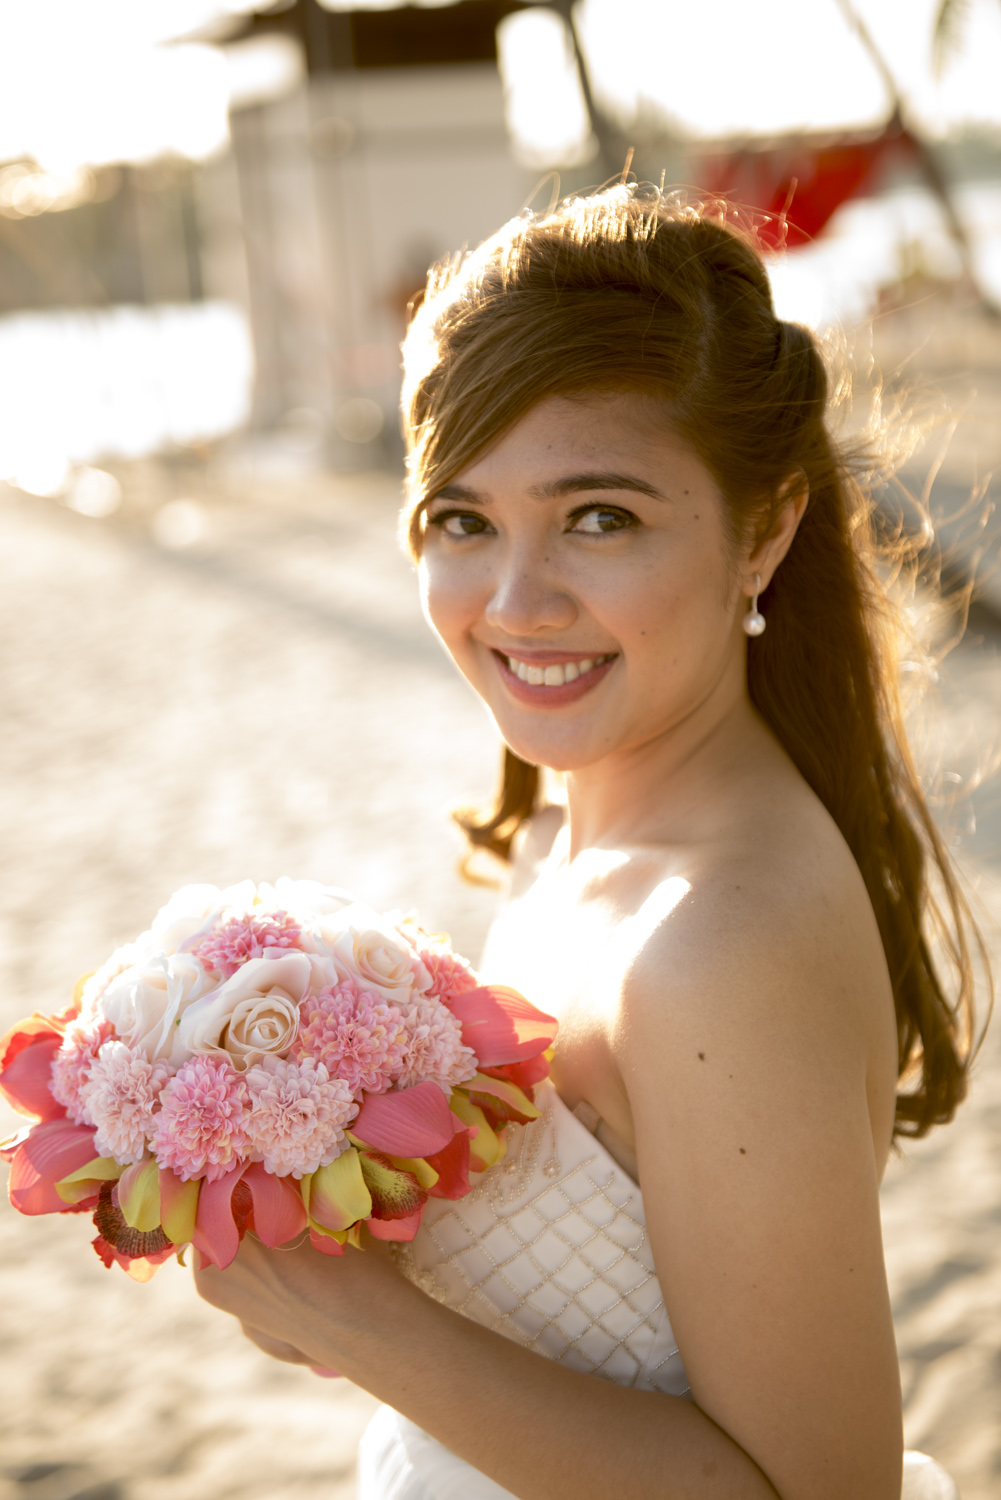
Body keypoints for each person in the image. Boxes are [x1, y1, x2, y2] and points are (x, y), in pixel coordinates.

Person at [194, 185, 981, 1500]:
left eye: (598, 516)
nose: (515, 602)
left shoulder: (720, 945)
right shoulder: (565, 829)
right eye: (463, 520)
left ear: (766, 527)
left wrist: (366, 1327)